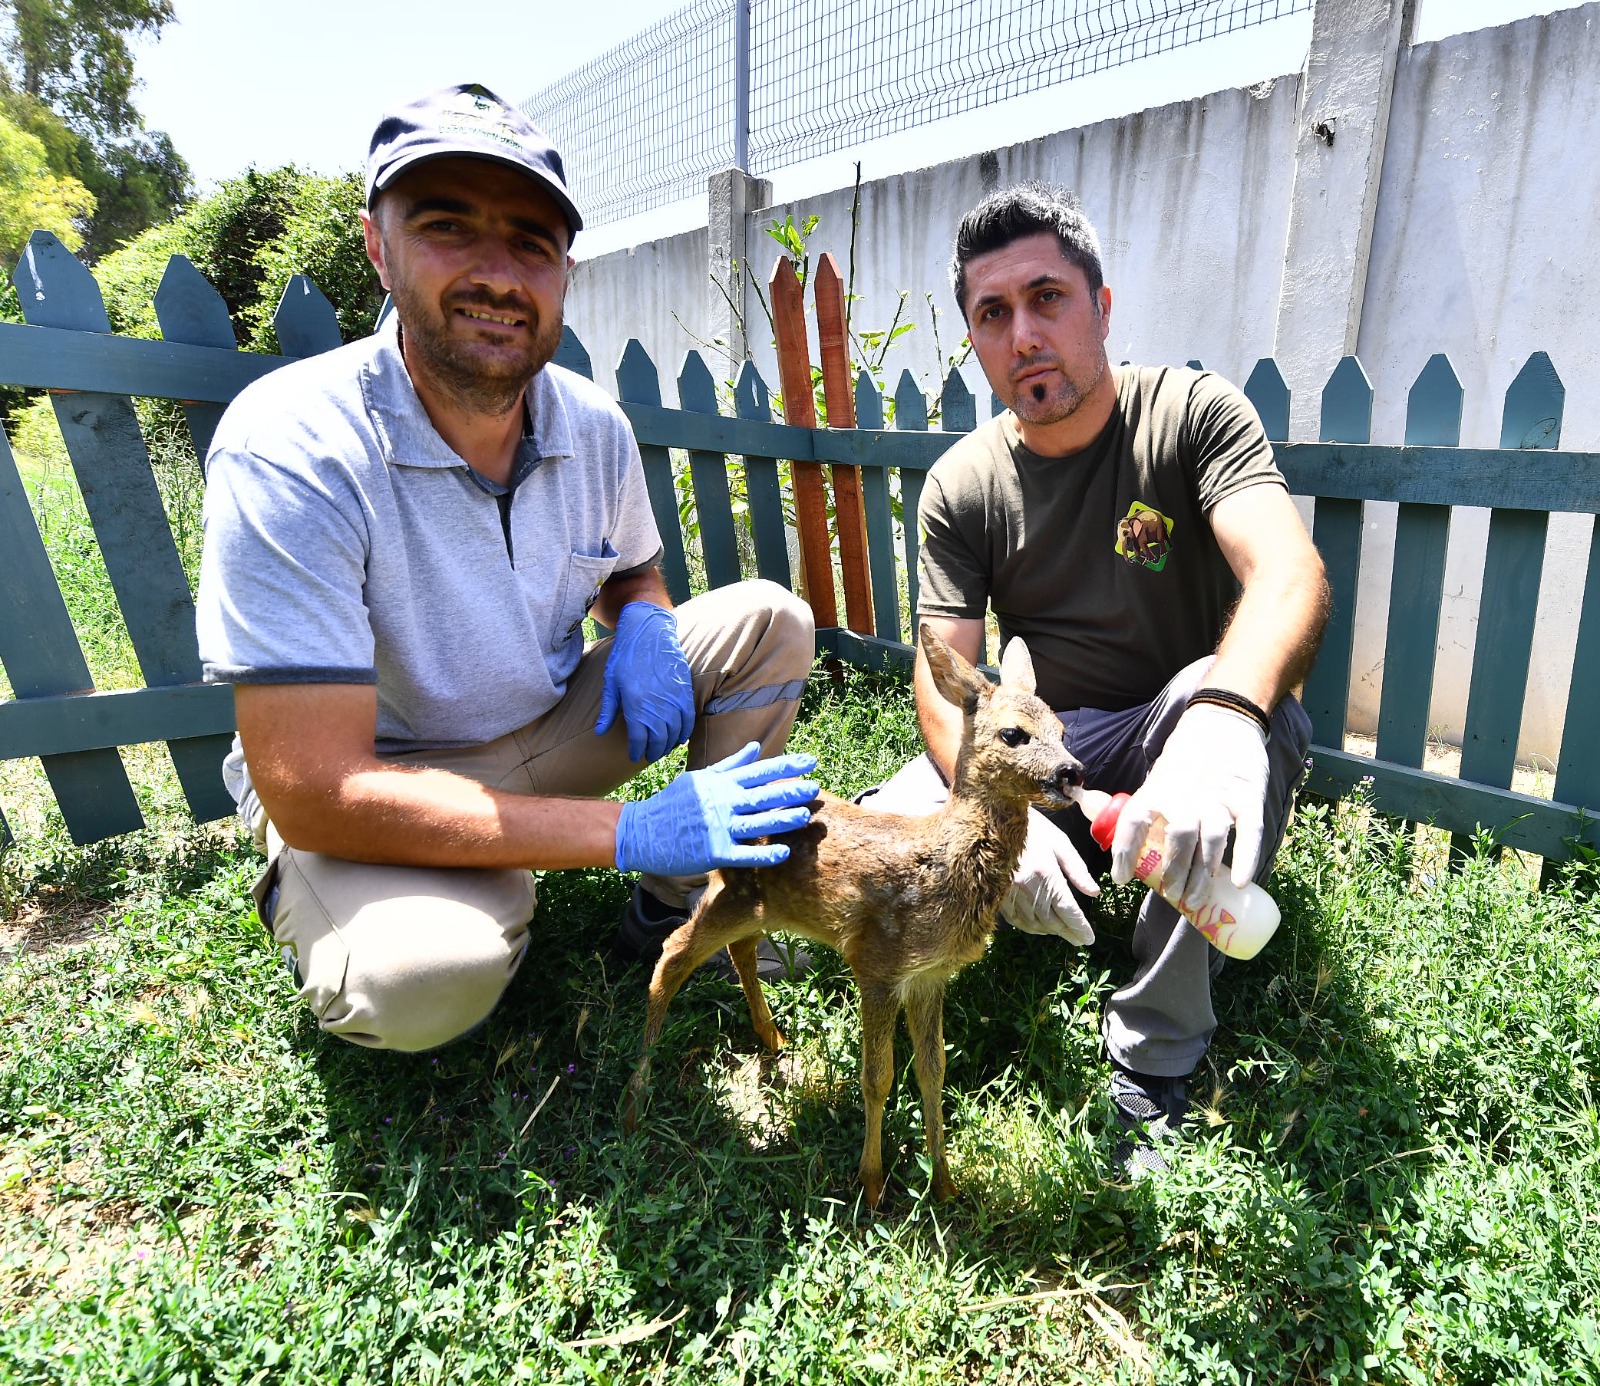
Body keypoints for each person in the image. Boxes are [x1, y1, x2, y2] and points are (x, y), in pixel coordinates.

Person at [194, 84, 818, 1053]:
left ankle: (670, 904)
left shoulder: (593, 426)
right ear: (377, 244)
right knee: (418, 983)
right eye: (448, 226)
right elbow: (311, 785)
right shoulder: (294, 446)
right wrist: (620, 831)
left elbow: (634, 574)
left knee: (770, 618)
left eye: (529, 241)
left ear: (564, 272)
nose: (496, 273)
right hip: (382, 778)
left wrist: (644, 618)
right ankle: (427, 889)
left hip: (540, 724)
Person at [857, 183, 1329, 1172]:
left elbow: (1290, 575)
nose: (1024, 334)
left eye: (1047, 298)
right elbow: (945, 681)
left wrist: (1224, 716)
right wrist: (990, 806)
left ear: (1101, 306)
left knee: (1247, 709)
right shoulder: (962, 485)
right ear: (977, 344)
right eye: (993, 315)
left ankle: (1151, 1060)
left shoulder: (1190, 416)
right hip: (1051, 747)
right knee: (897, 821)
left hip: (1175, 724)